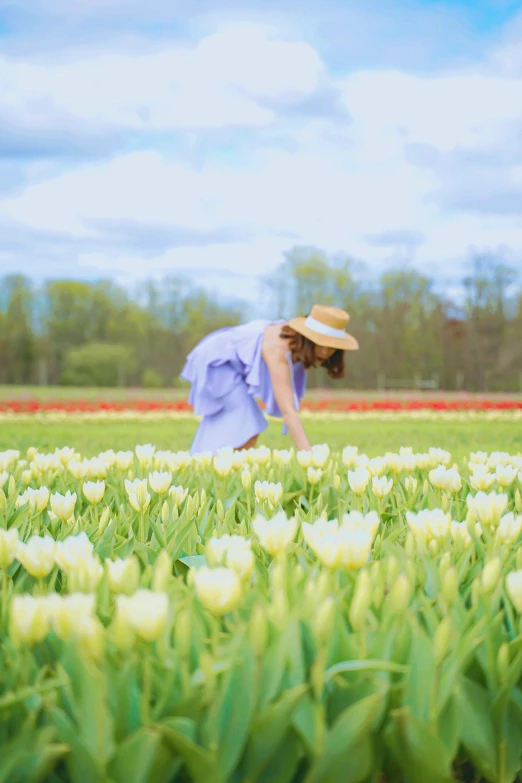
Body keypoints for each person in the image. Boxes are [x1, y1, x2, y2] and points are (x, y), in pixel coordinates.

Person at [181, 304, 359, 455]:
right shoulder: (278, 350)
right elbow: (288, 410)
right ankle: (225, 473)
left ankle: (200, 464)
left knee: (231, 422)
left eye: (332, 347)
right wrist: (308, 454)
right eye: (321, 343)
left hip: (227, 364)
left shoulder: (296, 346)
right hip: (217, 362)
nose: (325, 352)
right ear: (308, 338)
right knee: (249, 423)